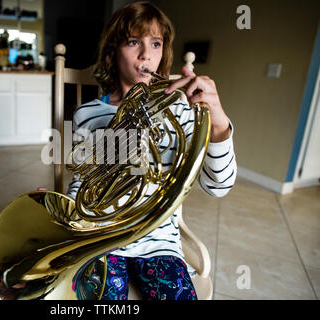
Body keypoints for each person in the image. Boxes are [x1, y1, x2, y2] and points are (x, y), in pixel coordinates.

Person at [66, 1, 237, 300]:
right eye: (134, 42)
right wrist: (62, 213)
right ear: (113, 51)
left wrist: (219, 122)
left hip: (159, 242)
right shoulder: (88, 113)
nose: (146, 54)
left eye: (155, 44)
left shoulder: (182, 109)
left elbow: (218, 187)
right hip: (101, 238)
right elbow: (84, 184)